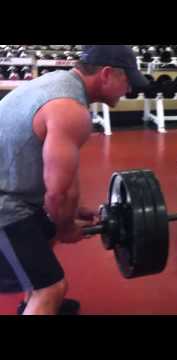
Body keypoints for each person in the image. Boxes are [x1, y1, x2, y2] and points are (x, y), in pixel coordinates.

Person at [0, 45, 149, 315]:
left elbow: (59, 180)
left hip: (12, 189)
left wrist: (70, 211)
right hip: (5, 204)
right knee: (53, 288)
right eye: (126, 81)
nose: (128, 91)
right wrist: (66, 225)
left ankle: (31, 305)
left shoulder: (56, 83)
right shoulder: (71, 111)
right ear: (106, 74)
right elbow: (58, 194)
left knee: (45, 237)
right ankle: (40, 301)